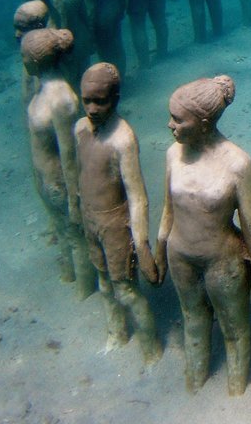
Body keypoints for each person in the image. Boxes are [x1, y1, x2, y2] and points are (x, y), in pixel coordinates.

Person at [155, 75, 251, 395]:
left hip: (224, 260)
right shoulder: (172, 155)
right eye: (171, 117)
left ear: (204, 122)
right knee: (193, 322)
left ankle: (236, 395)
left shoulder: (237, 163)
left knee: (234, 329)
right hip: (180, 255)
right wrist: (158, 250)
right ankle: (195, 387)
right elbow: (168, 209)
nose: (170, 125)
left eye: (178, 120)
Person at [74, 63, 161, 365]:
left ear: (117, 98)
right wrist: (76, 210)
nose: (93, 108)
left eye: (101, 100)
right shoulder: (80, 129)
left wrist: (142, 244)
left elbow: (138, 197)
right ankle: (116, 333)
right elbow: (80, 173)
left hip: (115, 223)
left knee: (125, 288)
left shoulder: (123, 139)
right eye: (87, 100)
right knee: (103, 283)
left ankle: (151, 349)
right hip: (90, 217)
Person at [21, 28, 96, 300]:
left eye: (24, 56)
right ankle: (71, 276)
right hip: (45, 178)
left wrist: (75, 200)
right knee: (62, 232)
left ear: (36, 60)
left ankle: (85, 292)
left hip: (58, 181)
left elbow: (68, 151)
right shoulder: (42, 89)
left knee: (76, 237)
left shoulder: (61, 98)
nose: (22, 62)